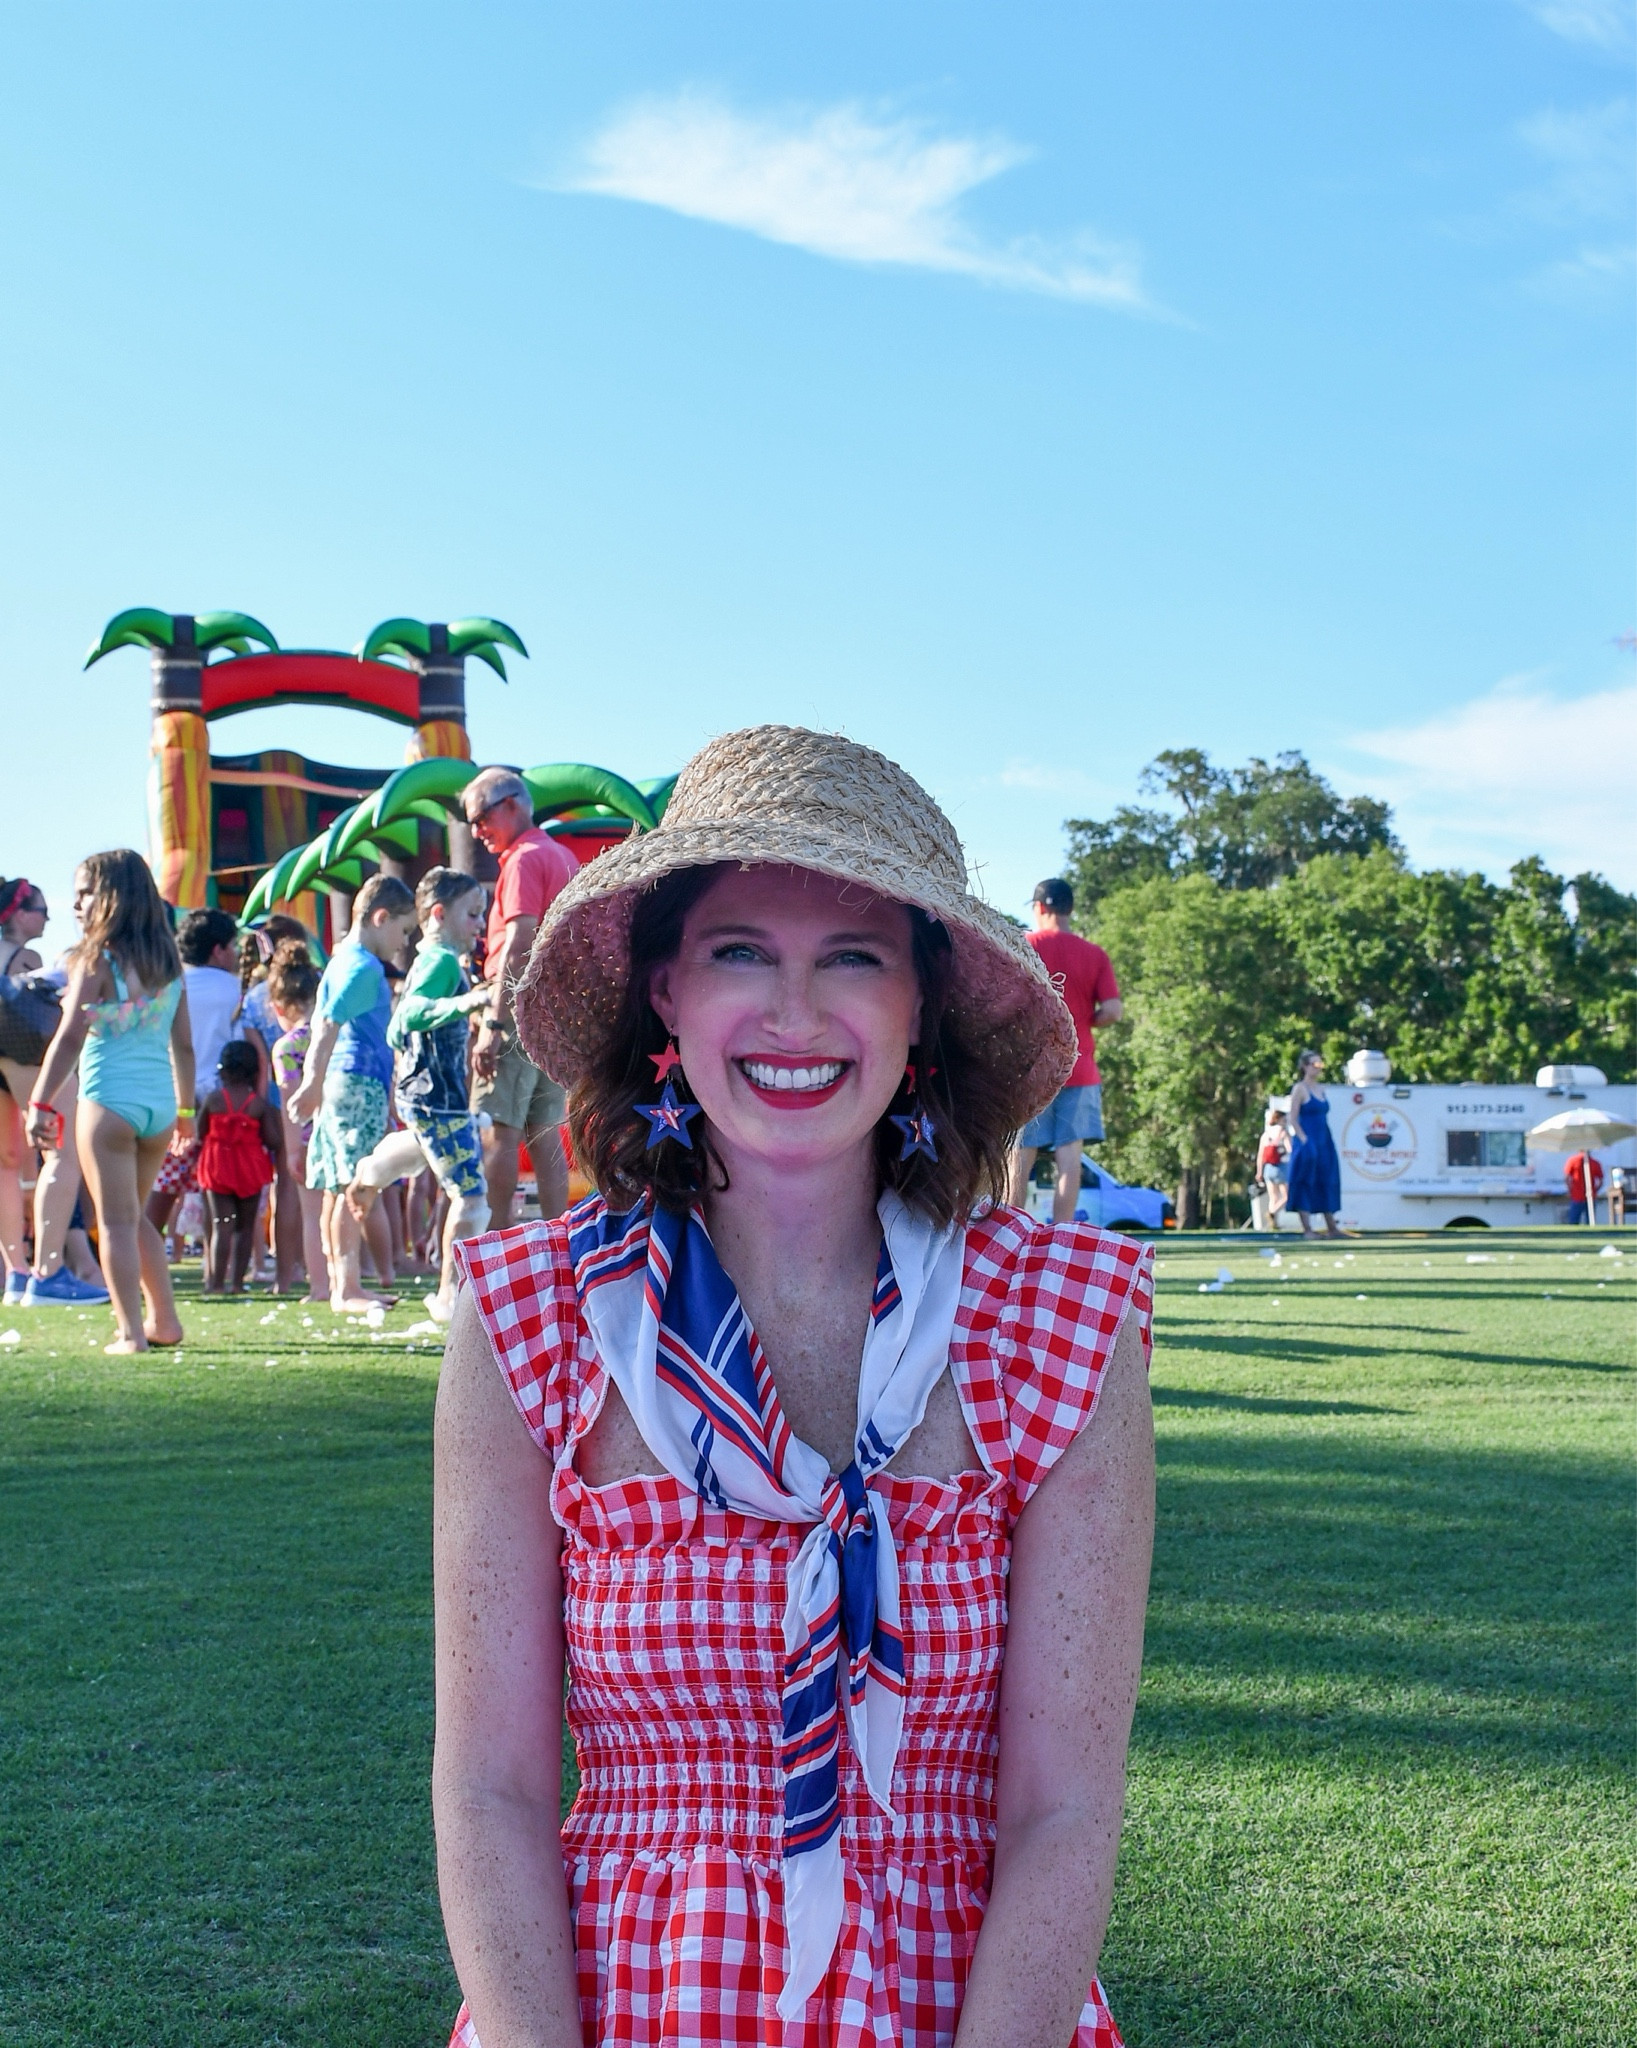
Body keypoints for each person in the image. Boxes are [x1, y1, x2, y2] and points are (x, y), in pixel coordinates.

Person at [433, 726, 1155, 2048]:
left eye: (854, 959)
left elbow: (1063, 1813)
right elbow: (489, 1790)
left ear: (919, 1006)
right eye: (739, 952)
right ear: (664, 990)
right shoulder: (528, 1316)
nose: (794, 1014)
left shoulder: (1063, 1323)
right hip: (623, 2005)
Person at [26, 850, 194, 1353]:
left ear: (112, 898)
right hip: (159, 1108)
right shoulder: (170, 963)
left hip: (108, 1106)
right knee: (135, 1217)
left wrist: (40, 1102)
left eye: (85, 892)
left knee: (115, 1222)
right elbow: (183, 1045)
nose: (76, 903)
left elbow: (70, 1038)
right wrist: (187, 1114)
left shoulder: (95, 959)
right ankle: (164, 1322)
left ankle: (129, 1334)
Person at [287, 872, 417, 1314]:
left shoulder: (341, 959)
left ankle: (341, 1284)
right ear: (381, 918)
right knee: (353, 1185)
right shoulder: (362, 966)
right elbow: (327, 1025)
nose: (401, 943)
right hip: (355, 1082)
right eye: (402, 930)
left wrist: (317, 1083)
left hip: (343, 1083)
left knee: (334, 1187)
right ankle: (347, 1288)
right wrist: (311, 1081)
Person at [369, 867, 492, 1321]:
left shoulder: (431, 960)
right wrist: (470, 1002)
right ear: (439, 914)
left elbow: (400, 1024)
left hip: (428, 1097)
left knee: (430, 1155)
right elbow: (416, 1012)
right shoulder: (439, 961)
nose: (480, 924)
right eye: (473, 914)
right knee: (472, 1195)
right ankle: (448, 1297)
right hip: (436, 1098)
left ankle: (367, 1179)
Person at [462, 766, 575, 1228]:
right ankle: (559, 1247)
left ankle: (490, 1248)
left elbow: (518, 940)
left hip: (514, 1005)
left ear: (511, 805)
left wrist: (491, 1024)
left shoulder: (523, 858)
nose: (475, 831)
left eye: (480, 817)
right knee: (545, 1134)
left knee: (496, 1132)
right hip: (553, 1009)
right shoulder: (562, 855)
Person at [0, 875, 107, 1307]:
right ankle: (47, 1272)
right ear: (20, 914)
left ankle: (15, 1272)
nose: (47, 918)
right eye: (41, 910)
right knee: (62, 1151)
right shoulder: (26, 960)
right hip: (24, 1050)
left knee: (6, 1165)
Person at [1007, 877, 1122, 1223]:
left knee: (1020, 1155)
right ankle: (1062, 1234)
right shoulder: (1094, 954)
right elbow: (1114, 1010)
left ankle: (1012, 1228)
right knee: (1069, 1157)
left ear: (1039, 908)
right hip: (1081, 1066)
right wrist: (1086, 1020)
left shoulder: (1024, 946)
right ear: (1070, 909)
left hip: (1031, 1068)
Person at [145, 907, 244, 1243]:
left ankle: (140, 1256)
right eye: (234, 945)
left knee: (161, 1190)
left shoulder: (169, 985)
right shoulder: (233, 989)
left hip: (171, 1095)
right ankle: (216, 1271)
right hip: (222, 1102)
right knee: (216, 1190)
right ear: (219, 949)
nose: (237, 953)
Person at [237, 914, 314, 1291]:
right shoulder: (319, 988)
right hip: (316, 1105)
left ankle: (285, 1275)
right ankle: (309, 1266)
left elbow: (257, 1061)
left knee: (285, 1187)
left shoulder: (255, 998)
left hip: (270, 1098)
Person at [267, 940, 329, 1302]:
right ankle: (347, 1280)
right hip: (336, 1129)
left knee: (312, 1216)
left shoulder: (286, 1047)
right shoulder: (330, 1035)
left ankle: (319, 1286)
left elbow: (291, 1105)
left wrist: (293, 1151)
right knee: (340, 1213)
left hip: (307, 1138)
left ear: (279, 1006)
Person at [196, 1037, 282, 1293]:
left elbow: (200, 1132)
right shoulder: (258, 1104)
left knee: (221, 1224)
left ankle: (214, 1283)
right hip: (250, 1167)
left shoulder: (214, 1100)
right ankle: (236, 1283)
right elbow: (273, 1140)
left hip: (217, 1165)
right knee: (245, 1228)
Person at [1286, 1049, 1343, 1237]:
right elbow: (1293, 1118)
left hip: (1324, 1140)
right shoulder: (1300, 1089)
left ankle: (1332, 1227)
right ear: (1304, 1066)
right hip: (1306, 1141)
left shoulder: (1322, 1089)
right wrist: (1304, 1140)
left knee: (1326, 1179)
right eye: (1314, 1064)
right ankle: (1307, 1229)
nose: (1317, 1068)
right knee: (1305, 1180)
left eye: (1320, 1064)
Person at [1255, 1108, 1290, 1230]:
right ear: (1279, 1120)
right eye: (1284, 1120)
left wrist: (1259, 1171)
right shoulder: (1283, 1133)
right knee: (1286, 1196)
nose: (1286, 1122)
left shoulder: (1266, 1135)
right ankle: (1273, 1213)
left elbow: (1260, 1155)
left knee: (1273, 1197)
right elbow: (1290, 1149)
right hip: (1280, 1167)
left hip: (1268, 1168)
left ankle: (1273, 1224)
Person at [1564, 1149, 1604, 1226]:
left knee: (1574, 1221)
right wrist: (1595, 1190)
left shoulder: (1572, 1161)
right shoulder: (1595, 1163)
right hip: (1590, 1195)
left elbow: (1567, 1178)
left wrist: (1570, 1190)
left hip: (1576, 1195)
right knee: (1590, 1221)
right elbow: (1600, 1180)